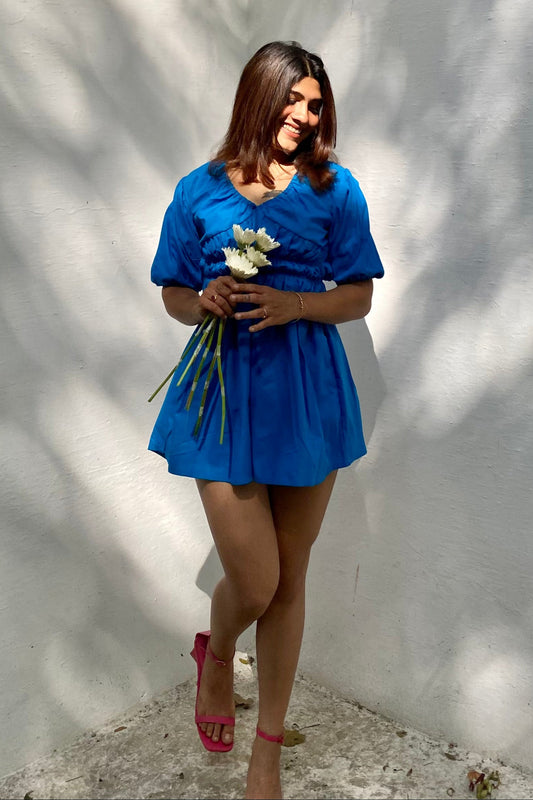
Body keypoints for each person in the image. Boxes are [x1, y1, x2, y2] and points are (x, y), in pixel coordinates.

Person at [148, 40, 384, 800]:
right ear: (261, 93)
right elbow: (173, 292)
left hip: (307, 393)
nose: (306, 116)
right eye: (294, 99)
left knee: (289, 583)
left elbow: (358, 294)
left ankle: (268, 753)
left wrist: (296, 304)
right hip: (219, 393)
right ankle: (218, 652)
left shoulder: (334, 189)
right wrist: (202, 301)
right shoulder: (197, 190)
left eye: (316, 106)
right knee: (254, 581)